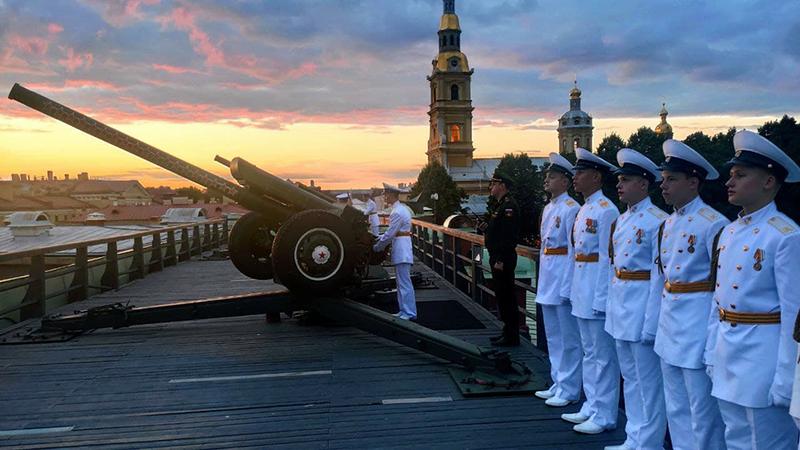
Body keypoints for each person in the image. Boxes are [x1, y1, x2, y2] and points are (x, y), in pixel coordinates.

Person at [707, 130, 800, 449]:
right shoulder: (729, 231)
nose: (729, 182)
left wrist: (787, 378)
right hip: (728, 352)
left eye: (740, 175)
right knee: (735, 437)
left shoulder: (785, 236)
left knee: (767, 441)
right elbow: (717, 299)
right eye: (731, 175)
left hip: (764, 359)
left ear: (768, 182)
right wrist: (710, 351)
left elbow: (794, 315)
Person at [656, 139, 727, 450]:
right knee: (676, 406)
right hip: (670, 321)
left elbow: (721, 287)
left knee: (702, 409)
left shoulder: (714, 224)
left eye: (672, 179)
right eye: (662, 179)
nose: (663, 186)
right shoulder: (668, 223)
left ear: (693, 182)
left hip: (697, 323)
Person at [604, 148, 668, 450]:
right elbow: (614, 265)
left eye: (626, 180)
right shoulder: (621, 220)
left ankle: (649, 442)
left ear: (644, 184)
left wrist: (651, 321)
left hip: (643, 303)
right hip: (621, 302)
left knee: (648, 382)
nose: (619, 185)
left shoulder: (659, 221)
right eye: (619, 180)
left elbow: (659, 275)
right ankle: (634, 437)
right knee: (630, 377)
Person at [560, 147, 621, 435]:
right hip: (581, 289)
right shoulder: (585, 208)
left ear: (596, 177)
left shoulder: (607, 211)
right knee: (589, 352)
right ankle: (591, 404)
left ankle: (605, 412)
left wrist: (600, 299)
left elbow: (606, 259)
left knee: (602, 355)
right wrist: (571, 288)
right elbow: (576, 254)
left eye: (580, 173)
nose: (575, 178)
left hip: (595, 291)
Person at [533, 152, 584, 408]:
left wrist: (567, 284)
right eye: (547, 176)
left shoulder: (571, 209)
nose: (547, 181)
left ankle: (571, 387)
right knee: (553, 336)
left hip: (563, 273)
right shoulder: (549, 207)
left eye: (552, 177)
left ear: (565, 181)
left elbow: (573, 249)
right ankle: (558, 381)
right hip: (549, 274)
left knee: (568, 338)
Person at [484, 169, 521, 347]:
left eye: (495, 184)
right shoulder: (500, 206)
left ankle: (512, 336)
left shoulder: (508, 207)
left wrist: (500, 259)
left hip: (502, 259)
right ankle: (507, 331)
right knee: (502, 295)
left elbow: (508, 237)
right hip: (498, 257)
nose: (491, 187)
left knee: (507, 296)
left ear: (503, 186)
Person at [373, 183, 417, 320]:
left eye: (386, 194)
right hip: (402, 247)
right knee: (401, 282)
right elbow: (393, 232)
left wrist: (377, 246)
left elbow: (391, 233)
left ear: (392, 195)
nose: (384, 197)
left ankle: (409, 312)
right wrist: (379, 238)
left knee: (404, 282)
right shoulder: (400, 209)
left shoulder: (397, 212)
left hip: (402, 249)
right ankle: (404, 310)